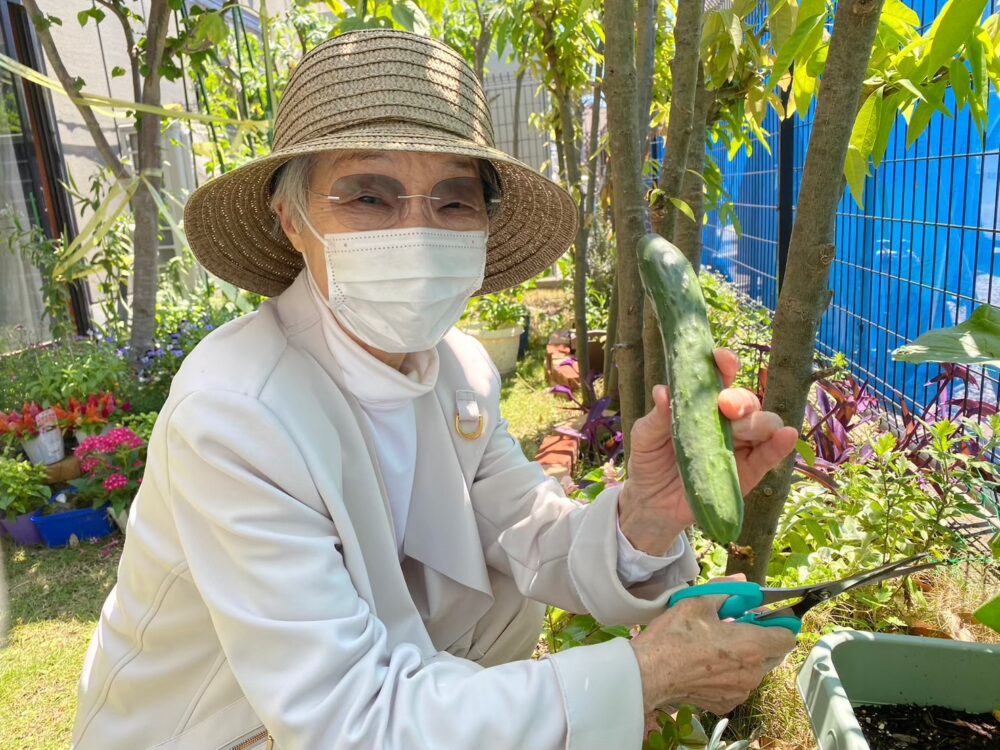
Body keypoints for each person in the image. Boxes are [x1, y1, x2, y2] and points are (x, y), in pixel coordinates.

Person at [71, 30, 797, 750]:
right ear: (291, 219)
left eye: (454, 201)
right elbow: (347, 719)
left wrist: (647, 515)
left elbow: (529, 530)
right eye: (368, 195)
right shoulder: (235, 415)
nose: (417, 230)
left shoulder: (459, 369)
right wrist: (648, 673)